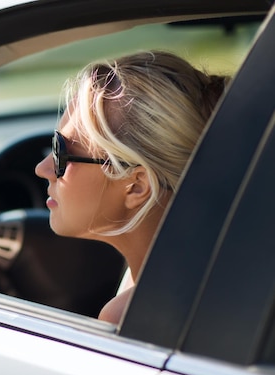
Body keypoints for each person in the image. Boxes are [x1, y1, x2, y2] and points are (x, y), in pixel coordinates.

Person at [35, 50, 228, 324]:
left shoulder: (131, 315)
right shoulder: (211, 265)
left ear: (137, 187)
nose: (42, 169)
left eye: (61, 152)